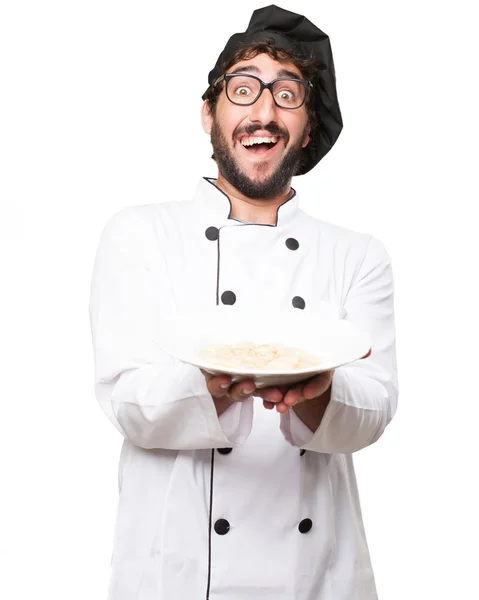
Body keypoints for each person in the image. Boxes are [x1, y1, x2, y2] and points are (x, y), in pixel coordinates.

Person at [89, 5, 398, 599]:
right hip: (176, 579)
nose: (263, 110)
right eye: (243, 87)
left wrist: (320, 393)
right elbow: (127, 401)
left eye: (288, 93)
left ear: (309, 127)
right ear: (209, 112)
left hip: (317, 580)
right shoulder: (139, 235)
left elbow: (375, 410)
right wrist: (213, 382)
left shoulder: (357, 255)